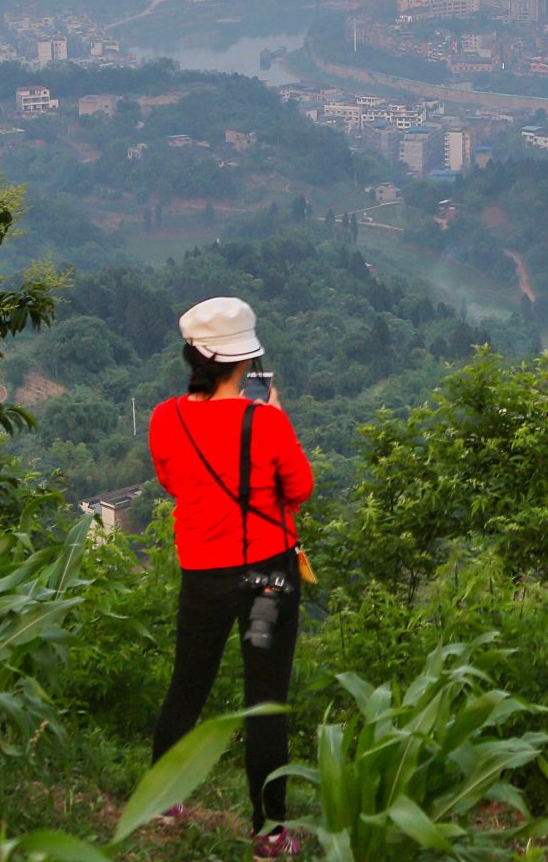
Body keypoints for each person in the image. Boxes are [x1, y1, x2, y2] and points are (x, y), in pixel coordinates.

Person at [147, 296, 315, 858]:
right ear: (245, 361)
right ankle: (269, 834)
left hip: (203, 574)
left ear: (194, 355)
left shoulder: (166, 417)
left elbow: (173, 481)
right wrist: (275, 419)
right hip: (267, 577)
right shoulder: (264, 420)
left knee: (187, 686)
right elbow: (300, 489)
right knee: (265, 699)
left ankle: (161, 802)